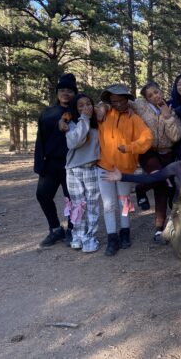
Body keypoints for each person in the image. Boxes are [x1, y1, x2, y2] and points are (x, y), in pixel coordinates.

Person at [97, 84, 153, 256]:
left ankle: (125, 232)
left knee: (124, 202)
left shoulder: (134, 118)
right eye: (114, 101)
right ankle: (112, 237)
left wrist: (130, 147)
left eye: (122, 100)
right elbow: (82, 110)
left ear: (127, 100)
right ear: (109, 101)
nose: (119, 104)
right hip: (104, 167)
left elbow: (147, 138)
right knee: (108, 205)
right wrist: (101, 106)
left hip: (124, 170)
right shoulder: (103, 114)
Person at [131, 81, 181, 243]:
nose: (155, 96)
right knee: (160, 177)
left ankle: (159, 229)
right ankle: (141, 188)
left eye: (157, 92)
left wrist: (168, 117)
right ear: (146, 99)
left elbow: (175, 137)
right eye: (150, 95)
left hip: (167, 153)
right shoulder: (140, 106)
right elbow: (123, 102)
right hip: (148, 152)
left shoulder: (171, 109)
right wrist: (102, 106)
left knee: (162, 188)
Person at [35, 73, 77, 247]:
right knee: (43, 195)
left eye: (69, 90)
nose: (65, 93)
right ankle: (55, 229)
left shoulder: (79, 111)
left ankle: (73, 230)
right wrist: (39, 163)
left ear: (74, 93)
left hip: (72, 163)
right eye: (62, 90)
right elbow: (40, 139)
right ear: (57, 92)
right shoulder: (47, 112)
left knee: (72, 199)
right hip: (51, 162)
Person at [64, 94, 101, 252]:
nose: (86, 107)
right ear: (75, 109)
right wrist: (84, 119)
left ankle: (90, 238)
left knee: (92, 205)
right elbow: (74, 142)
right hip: (73, 170)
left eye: (88, 104)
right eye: (81, 105)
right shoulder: (72, 124)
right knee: (77, 205)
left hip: (91, 168)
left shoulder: (98, 125)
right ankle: (78, 235)